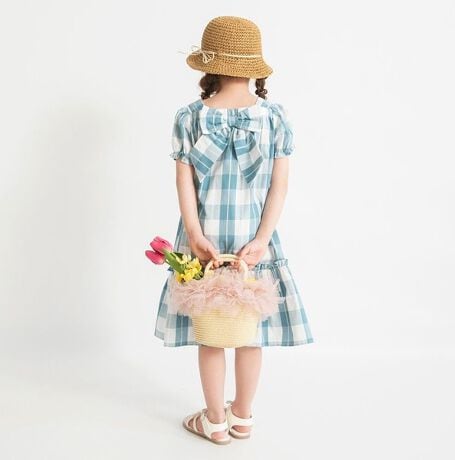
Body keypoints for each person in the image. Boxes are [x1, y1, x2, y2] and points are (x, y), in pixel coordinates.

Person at [153, 15, 314, 444]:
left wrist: (194, 234)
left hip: (203, 241)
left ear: (210, 65)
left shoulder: (189, 117)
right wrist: (262, 239)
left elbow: (183, 182)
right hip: (253, 245)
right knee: (248, 333)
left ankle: (214, 420)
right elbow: (280, 186)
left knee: (211, 333)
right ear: (254, 66)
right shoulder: (274, 117)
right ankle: (242, 416)